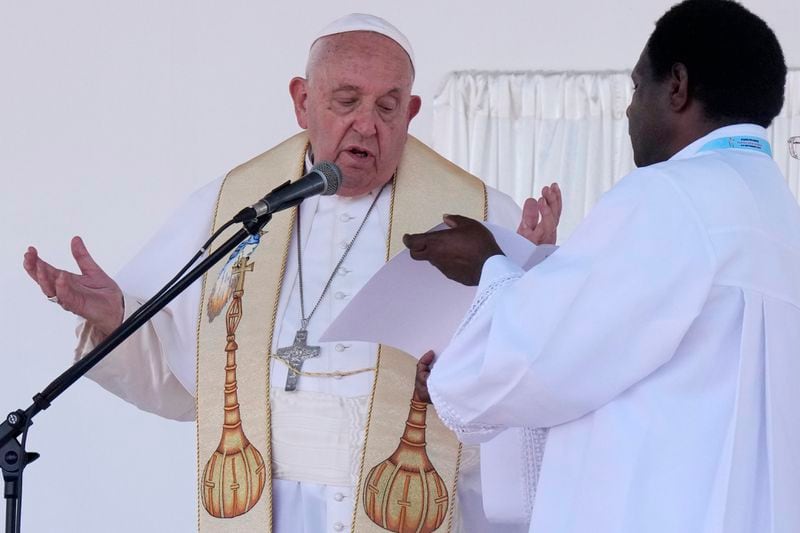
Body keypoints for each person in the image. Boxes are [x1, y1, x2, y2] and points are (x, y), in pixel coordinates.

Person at [23, 14, 561, 533]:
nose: (366, 125)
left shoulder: (481, 216)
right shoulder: (234, 207)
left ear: (412, 111)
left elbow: (529, 384)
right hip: (267, 503)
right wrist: (118, 317)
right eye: (346, 101)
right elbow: (183, 376)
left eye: (387, 107)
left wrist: (527, 281)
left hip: (398, 495)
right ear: (303, 101)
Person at [406, 1, 799, 532]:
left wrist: (490, 267)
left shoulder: (670, 197)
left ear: (677, 87)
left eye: (637, 89)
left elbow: (539, 358)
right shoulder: (779, 213)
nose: (630, 112)